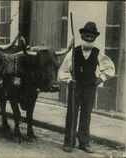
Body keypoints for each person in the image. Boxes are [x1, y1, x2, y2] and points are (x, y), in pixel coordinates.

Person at [58, 21, 115, 153]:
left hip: (90, 88)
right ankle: (69, 142)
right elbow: (62, 71)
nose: (89, 39)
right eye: (87, 36)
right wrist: (69, 80)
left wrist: (100, 79)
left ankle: (84, 143)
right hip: (75, 87)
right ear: (82, 36)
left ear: (95, 38)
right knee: (72, 114)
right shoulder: (73, 53)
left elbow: (110, 68)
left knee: (86, 114)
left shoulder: (98, 53)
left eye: (92, 37)